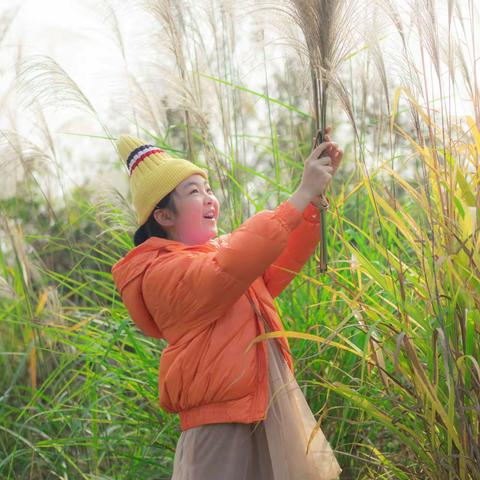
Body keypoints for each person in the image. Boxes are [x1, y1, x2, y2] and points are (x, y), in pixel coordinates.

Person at [111, 129, 343, 479]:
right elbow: (227, 269)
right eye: (193, 192)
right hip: (219, 425)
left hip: (265, 411)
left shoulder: (225, 256)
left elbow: (274, 259)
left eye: (208, 189)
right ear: (164, 216)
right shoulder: (160, 273)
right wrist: (300, 194)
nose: (209, 199)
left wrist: (310, 202)